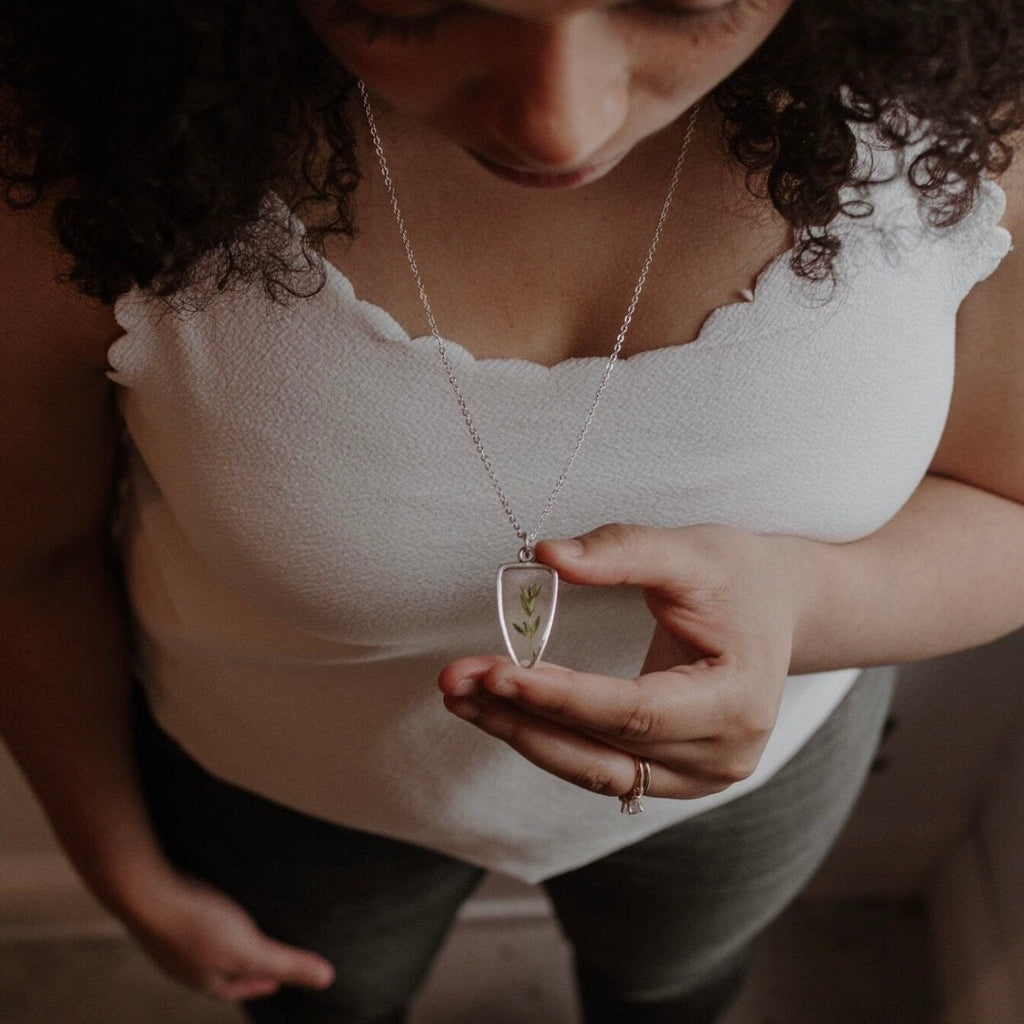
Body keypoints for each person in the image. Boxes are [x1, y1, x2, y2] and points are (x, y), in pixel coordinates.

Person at [2, 1, 1023, 1022]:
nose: (559, 128)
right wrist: (123, 871)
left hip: (745, 780)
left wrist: (807, 604)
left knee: (674, 993)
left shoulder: (970, 111)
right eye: (413, 5)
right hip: (282, 789)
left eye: (679, 0)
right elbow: (27, 569)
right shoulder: (86, 159)